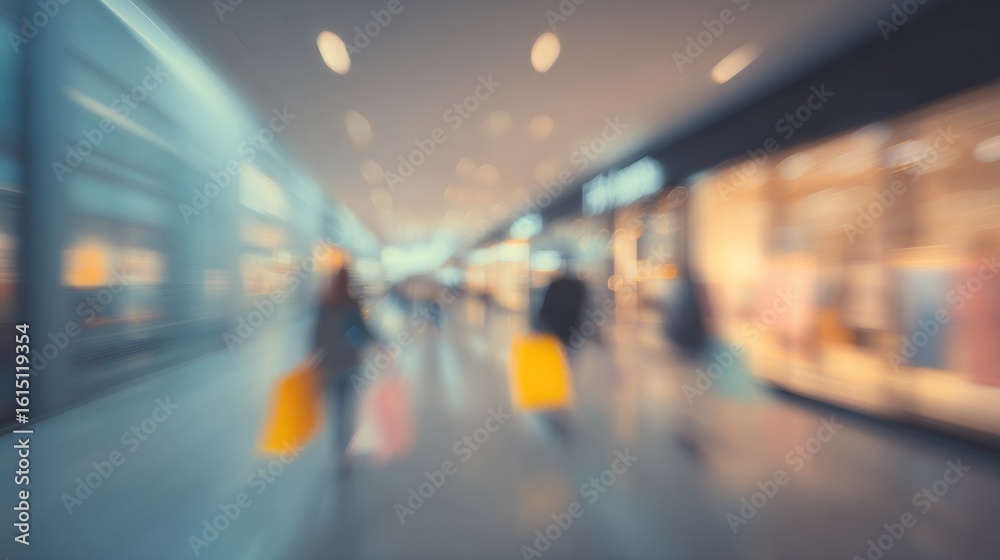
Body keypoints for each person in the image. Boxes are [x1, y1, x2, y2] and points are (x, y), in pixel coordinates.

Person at [313, 266, 374, 476]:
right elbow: (362, 331)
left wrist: (314, 357)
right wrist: (378, 343)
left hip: (330, 366)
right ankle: (345, 453)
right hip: (349, 364)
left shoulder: (324, 303)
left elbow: (317, 334)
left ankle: (338, 449)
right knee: (348, 411)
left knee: (337, 411)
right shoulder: (352, 304)